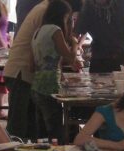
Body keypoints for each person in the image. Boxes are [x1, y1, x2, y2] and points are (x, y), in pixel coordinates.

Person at [4, 0, 83, 140]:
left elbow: (45, 54)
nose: (69, 22)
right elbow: (66, 55)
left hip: (28, 76)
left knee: (32, 129)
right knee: (20, 127)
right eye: (68, 18)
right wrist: (74, 46)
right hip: (21, 74)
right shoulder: (50, 23)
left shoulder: (45, 14)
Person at [31, 0, 81, 143]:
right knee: (56, 130)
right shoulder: (55, 30)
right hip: (50, 86)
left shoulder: (38, 32)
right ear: (62, 16)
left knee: (41, 130)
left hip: (36, 86)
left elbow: (32, 65)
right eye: (67, 18)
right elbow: (70, 57)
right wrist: (75, 44)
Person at [74, 0, 124, 73]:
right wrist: (73, 55)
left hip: (120, 55)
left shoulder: (122, 2)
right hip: (100, 58)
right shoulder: (88, 6)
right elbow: (77, 32)